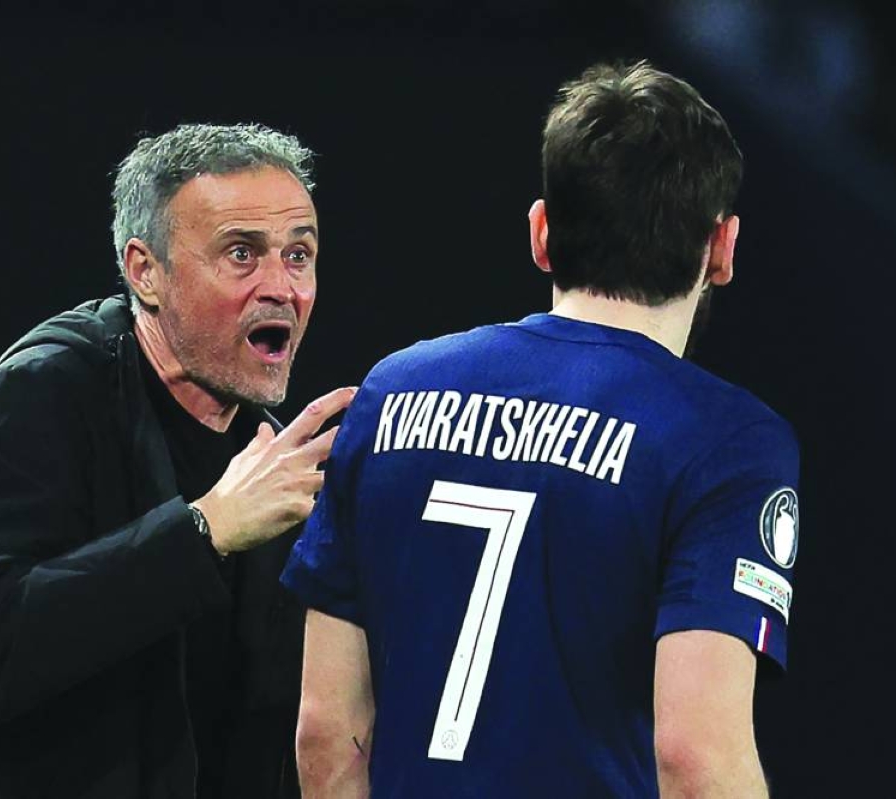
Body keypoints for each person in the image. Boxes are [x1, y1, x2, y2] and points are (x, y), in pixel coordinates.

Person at [281, 60, 801, 797]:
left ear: (541, 231)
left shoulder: (391, 389)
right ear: (722, 247)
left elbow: (327, 733)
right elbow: (698, 763)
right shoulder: (729, 442)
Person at [0, 123, 354, 799]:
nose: (281, 287)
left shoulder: (270, 459)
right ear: (144, 271)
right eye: (241, 253)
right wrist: (204, 530)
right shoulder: (31, 400)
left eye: (298, 255)